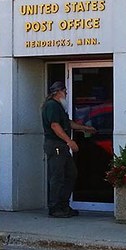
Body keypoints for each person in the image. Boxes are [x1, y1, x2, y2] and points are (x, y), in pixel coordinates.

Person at [41, 81, 96, 218]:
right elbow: (55, 126)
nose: (66, 93)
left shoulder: (58, 107)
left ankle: (64, 205)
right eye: (65, 91)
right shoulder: (52, 106)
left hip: (61, 146)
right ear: (58, 92)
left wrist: (85, 128)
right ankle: (55, 208)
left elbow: (67, 123)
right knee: (58, 177)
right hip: (56, 146)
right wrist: (69, 141)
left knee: (70, 174)